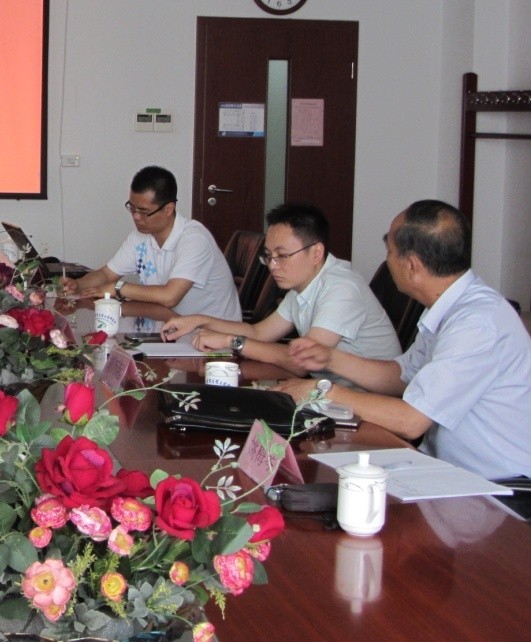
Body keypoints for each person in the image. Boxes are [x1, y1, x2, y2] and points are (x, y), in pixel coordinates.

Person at [279, 199, 531, 480]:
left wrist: (324, 391)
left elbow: (411, 421)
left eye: (389, 250)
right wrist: (331, 358)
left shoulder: (477, 322)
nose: (387, 260)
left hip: (498, 486)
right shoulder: (449, 306)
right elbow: (401, 376)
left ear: (412, 265)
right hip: (444, 468)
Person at [160, 202, 400, 380]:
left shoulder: (341, 289)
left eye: (282, 256)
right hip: (329, 391)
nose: (273, 266)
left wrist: (229, 341)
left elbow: (302, 362)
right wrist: (198, 321)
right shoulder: (303, 286)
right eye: (269, 256)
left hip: (367, 402)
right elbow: (259, 332)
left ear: (316, 252)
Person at [65, 165, 240, 327]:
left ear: (168, 209)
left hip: (213, 335)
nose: (136, 217)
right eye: (132, 208)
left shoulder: (194, 239)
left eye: (143, 212)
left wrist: (118, 288)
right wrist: (77, 285)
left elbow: (170, 297)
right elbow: (106, 274)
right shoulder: (140, 237)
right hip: (171, 326)